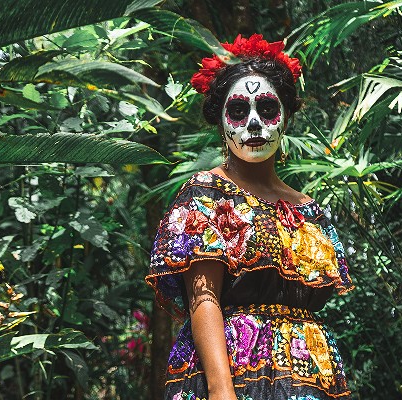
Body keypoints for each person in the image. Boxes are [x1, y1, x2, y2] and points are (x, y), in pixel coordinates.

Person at [146, 34, 354, 400]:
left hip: (310, 376)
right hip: (232, 374)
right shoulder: (206, 193)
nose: (254, 124)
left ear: (285, 118)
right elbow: (203, 296)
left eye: (267, 109)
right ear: (221, 125)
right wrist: (221, 389)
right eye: (239, 111)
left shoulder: (310, 209)